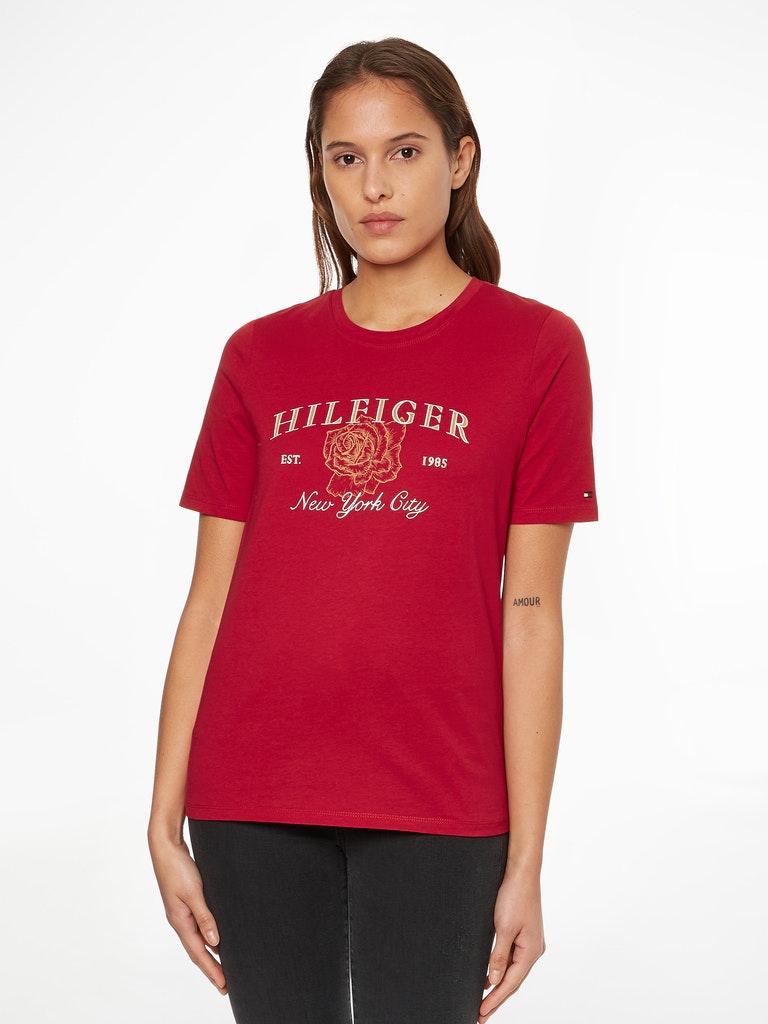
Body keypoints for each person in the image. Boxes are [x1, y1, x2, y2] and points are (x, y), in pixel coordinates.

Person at [148, 36, 597, 1024]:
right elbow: (209, 597)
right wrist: (161, 816)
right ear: (320, 171)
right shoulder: (259, 355)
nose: (374, 186)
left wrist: (528, 858)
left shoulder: (537, 349)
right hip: (251, 790)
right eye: (345, 157)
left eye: (404, 152)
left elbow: (531, 611)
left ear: (460, 159)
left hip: (441, 792)